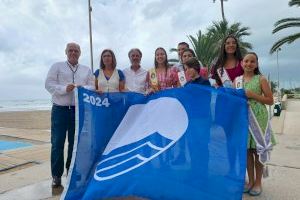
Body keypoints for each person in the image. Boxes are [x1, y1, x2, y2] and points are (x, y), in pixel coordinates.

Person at [45, 42, 94, 187]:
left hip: (77, 111)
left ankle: (71, 172)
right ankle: (56, 175)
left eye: (76, 51)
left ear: (80, 53)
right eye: (70, 50)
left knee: (75, 144)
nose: (73, 53)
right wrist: (64, 88)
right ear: (66, 52)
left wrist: (82, 87)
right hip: (60, 110)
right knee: (57, 143)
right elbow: (48, 84)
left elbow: (92, 85)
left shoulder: (86, 69)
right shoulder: (57, 66)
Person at [234, 52, 275, 196]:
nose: (248, 64)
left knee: (257, 151)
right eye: (246, 61)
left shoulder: (261, 79)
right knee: (247, 152)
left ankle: (258, 182)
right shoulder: (237, 81)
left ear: (256, 64)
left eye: (252, 61)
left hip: (259, 119)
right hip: (244, 119)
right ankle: (250, 181)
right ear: (241, 63)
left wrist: (254, 96)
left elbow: (270, 100)